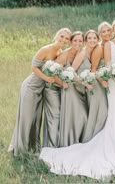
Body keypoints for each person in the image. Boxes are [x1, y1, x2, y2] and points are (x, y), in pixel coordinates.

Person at [39, 19, 115, 180]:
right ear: (113, 30)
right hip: (113, 83)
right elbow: (108, 64)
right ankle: (112, 141)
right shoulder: (107, 45)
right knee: (113, 110)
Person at [8, 28, 71, 156]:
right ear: (57, 35)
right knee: (27, 118)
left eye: (66, 39)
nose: (63, 40)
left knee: (36, 118)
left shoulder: (60, 52)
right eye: (62, 36)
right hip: (31, 87)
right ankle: (20, 149)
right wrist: (47, 78)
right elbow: (33, 67)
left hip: (42, 90)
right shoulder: (46, 49)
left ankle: (33, 148)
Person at [55, 31, 88, 147]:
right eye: (75, 41)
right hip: (69, 89)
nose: (78, 43)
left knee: (83, 115)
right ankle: (69, 141)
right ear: (70, 42)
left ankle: (80, 140)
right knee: (80, 115)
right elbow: (54, 72)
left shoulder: (84, 53)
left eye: (80, 41)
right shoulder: (64, 55)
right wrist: (62, 82)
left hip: (81, 89)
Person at [82, 22, 112, 142]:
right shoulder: (99, 48)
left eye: (108, 30)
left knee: (105, 110)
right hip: (98, 84)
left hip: (106, 83)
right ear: (100, 34)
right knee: (101, 111)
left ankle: (104, 138)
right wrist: (102, 80)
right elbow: (93, 70)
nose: (106, 34)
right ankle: (93, 139)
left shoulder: (109, 45)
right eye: (103, 32)